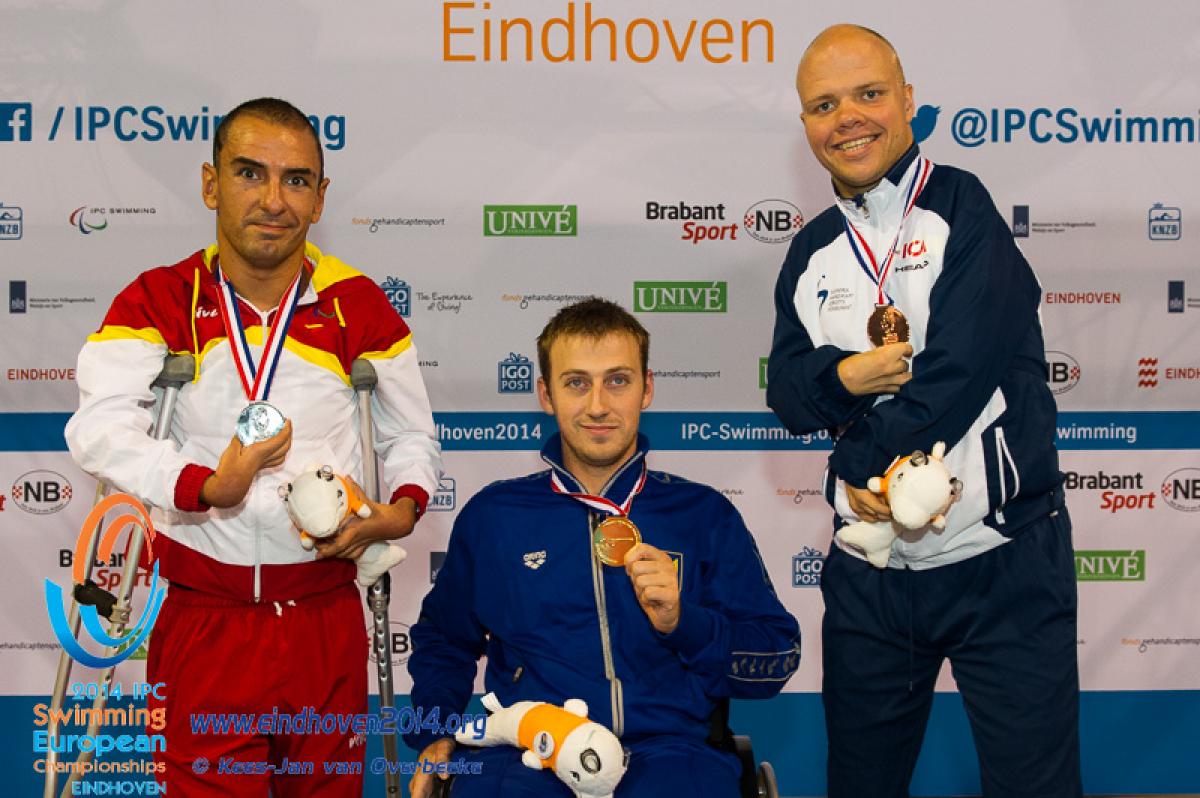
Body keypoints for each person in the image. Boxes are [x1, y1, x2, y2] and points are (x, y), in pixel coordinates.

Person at [65, 97, 442, 797]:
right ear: (211, 184)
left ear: (321, 197)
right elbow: (98, 427)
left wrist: (402, 510)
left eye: (296, 180)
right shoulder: (159, 299)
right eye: (249, 174)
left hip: (322, 617)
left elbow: (410, 434)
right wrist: (204, 485)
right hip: (204, 617)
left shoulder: (357, 305)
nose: (274, 200)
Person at [765, 24, 1080, 798]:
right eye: (824, 104)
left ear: (909, 101)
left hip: (1002, 562)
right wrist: (849, 374)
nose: (848, 118)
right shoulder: (810, 253)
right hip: (873, 577)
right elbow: (789, 396)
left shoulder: (963, 207)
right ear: (805, 125)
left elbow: (958, 376)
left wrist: (853, 462)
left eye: (869, 94)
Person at [405, 298, 801, 798]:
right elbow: (443, 639)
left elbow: (777, 657)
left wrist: (685, 623)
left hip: (672, 756)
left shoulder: (703, 515)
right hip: (532, 756)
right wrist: (436, 729)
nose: (597, 405)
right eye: (576, 383)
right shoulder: (495, 516)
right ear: (546, 395)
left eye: (617, 380)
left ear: (647, 388)